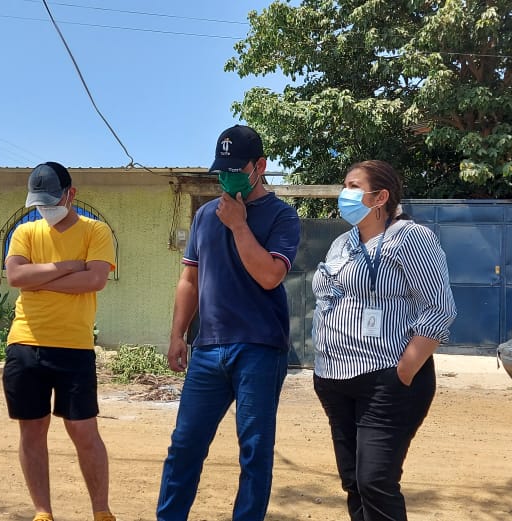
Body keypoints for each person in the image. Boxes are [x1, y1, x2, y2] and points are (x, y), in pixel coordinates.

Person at [157, 125, 301, 521]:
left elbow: (270, 276)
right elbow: (189, 279)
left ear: (260, 167)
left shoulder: (282, 216)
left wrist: (239, 224)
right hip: (207, 348)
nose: (226, 178)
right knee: (184, 445)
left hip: (260, 348)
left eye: (236, 170)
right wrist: (177, 335)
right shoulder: (205, 216)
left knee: (254, 451)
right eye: (221, 170)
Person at [311, 160, 456, 521]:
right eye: (344, 185)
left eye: (354, 186)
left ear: (380, 197)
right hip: (334, 378)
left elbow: (439, 309)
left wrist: (404, 371)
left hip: (384, 380)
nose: (344, 194)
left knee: (375, 481)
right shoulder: (342, 243)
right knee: (353, 482)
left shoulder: (410, 237)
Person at [3, 161, 117, 521]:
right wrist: (69, 266)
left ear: (71, 194)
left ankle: (101, 511)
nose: (45, 209)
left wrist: (38, 280)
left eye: (51, 201)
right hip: (25, 344)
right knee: (32, 431)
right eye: (39, 203)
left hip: (74, 347)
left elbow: (94, 280)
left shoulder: (96, 231)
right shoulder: (24, 231)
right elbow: (15, 276)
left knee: (83, 430)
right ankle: (43, 513)